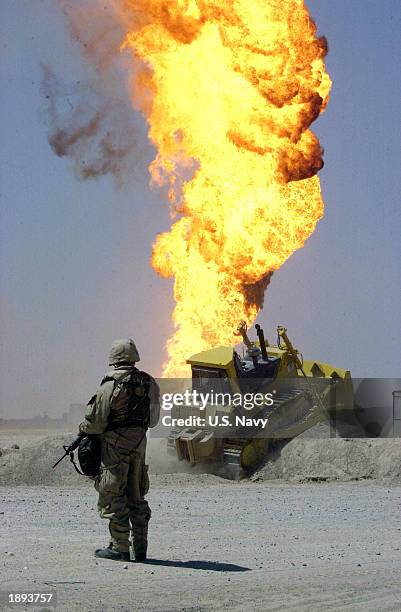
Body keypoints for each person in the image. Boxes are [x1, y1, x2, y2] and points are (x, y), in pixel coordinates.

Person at [78, 338, 160, 562]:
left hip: (114, 447)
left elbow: (96, 423)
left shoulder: (109, 385)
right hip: (139, 445)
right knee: (136, 494)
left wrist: (82, 429)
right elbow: (153, 421)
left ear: (113, 359)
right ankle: (140, 548)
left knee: (112, 494)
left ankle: (120, 547)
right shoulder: (149, 383)